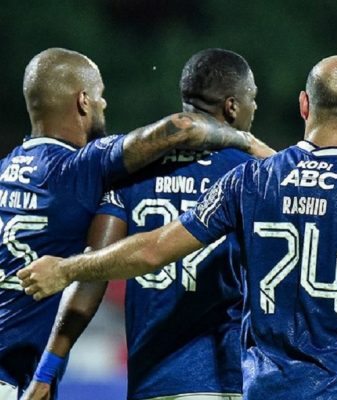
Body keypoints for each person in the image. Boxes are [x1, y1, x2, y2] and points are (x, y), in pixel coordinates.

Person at [19, 55, 337, 400]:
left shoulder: (250, 182)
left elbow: (150, 250)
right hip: (326, 389)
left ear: (304, 105)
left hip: (249, 387)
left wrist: (66, 269)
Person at [0, 47, 268, 400]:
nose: (105, 104)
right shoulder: (85, 167)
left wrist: (49, 368)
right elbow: (182, 127)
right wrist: (255, 147)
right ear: (83, 101)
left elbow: (93, 269)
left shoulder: (11, 169)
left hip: (149, 382)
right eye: (100, 96)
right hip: (226, 377)